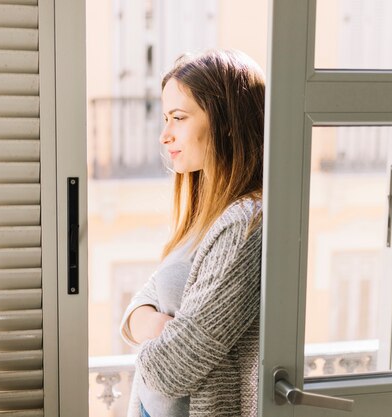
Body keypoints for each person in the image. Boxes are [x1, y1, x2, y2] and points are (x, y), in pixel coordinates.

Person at [119, 49, 265, 417]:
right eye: (165, 118)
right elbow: (144, 297)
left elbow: (174, 366)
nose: (165, 135)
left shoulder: (246, 225)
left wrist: (148, 328)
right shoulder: (205, 216)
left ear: (227, 122)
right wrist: (157, 323)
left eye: (179, 118)